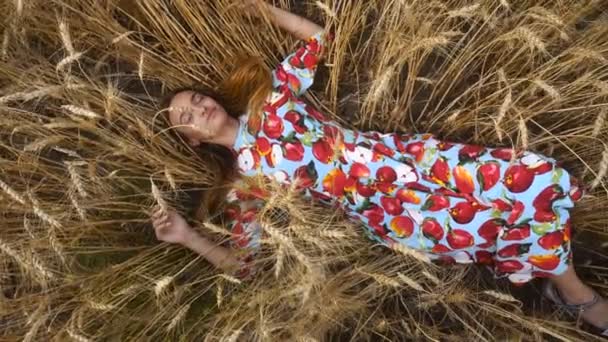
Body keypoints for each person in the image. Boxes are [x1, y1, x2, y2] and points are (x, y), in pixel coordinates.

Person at [150, 0, 607, 335]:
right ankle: (575, 295)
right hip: (393, 210)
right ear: (192, 140)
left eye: (195, 98)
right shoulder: (244, 184)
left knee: (529, 176)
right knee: (502, 224)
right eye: (184, 118)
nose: (196, 108)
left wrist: (264, 11)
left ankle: (563, 287)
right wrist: (187, 237)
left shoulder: (269, 102)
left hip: (411, 158)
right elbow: (245, 264)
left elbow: (316, 38)